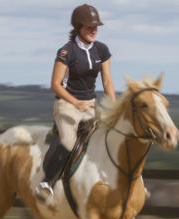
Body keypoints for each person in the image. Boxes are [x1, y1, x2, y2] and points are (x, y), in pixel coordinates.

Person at [36, 4, 116, 202]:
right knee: (70, 143)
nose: (94, 30)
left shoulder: (102, 49)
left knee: (113, 136)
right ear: (78, 27)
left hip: (90, 105)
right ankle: (47, 182)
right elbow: (55, 84)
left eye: (96, 26)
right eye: (90, 26)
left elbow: (107, 81)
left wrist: (113, 106)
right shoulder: (66, 52)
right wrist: (75, 102)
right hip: (67, 104)